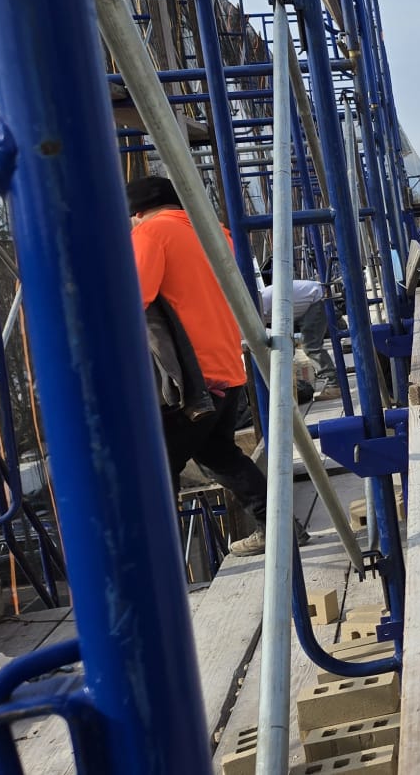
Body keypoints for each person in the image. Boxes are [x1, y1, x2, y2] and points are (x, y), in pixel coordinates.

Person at [128, 176, 281, 556]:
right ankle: (277, 527)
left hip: (191, 379)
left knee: (154, 470)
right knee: (219, 455)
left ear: (137, 212)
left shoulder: (150, 234)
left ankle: (159, 564)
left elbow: (135, 297)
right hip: (228, 368)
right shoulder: (218, 235)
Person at [260, 271, 336, 397]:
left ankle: (333, 385)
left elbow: (260, 338)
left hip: (315, 299)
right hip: (301, 304)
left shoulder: (260, 306)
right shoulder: (260, 302)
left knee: (311, 346)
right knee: (287, 345)